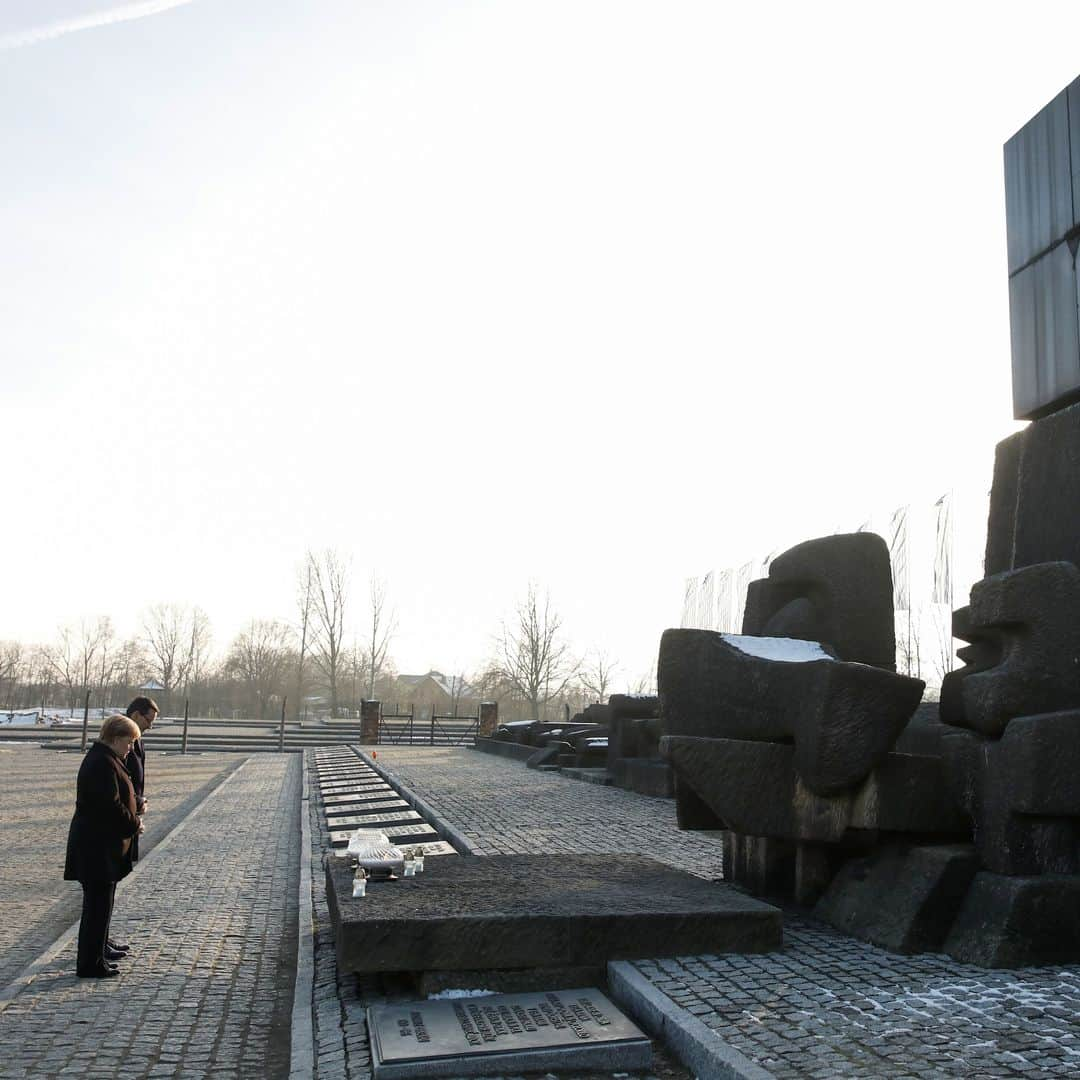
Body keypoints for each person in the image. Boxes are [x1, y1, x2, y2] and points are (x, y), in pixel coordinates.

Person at [64, 713, 144, 978]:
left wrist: (136, 806)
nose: (130, 748)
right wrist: (135, 823)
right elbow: (108, 807)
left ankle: (97, 953)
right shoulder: (101, 762)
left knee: (102, 905)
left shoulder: (107, 759)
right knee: (96, 908)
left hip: (102, 847)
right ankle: (90, 963)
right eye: (129, 742)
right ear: (116, 738)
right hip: (95, 848)